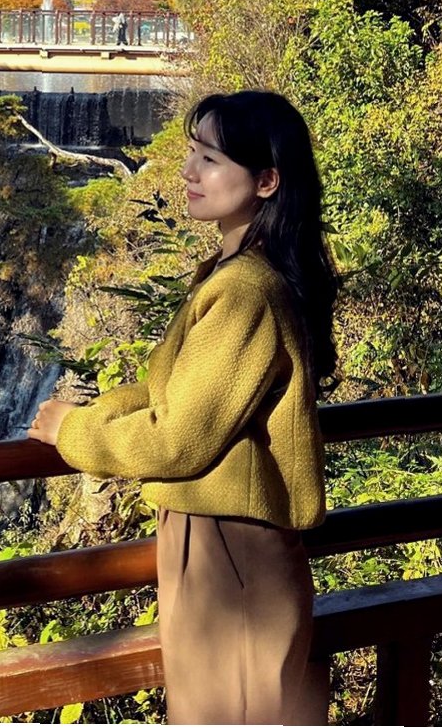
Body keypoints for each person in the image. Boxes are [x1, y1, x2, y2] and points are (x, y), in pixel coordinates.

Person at [28, 90, 338, 725]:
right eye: (192, 152)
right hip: (218, 540)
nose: (189, 171)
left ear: (267, 181)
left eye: (211, 159)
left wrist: (75, 433)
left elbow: (177, 439)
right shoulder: (233, 273)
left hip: (229, 550)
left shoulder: (246, 291)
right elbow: (171, 390)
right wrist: (99, 413)